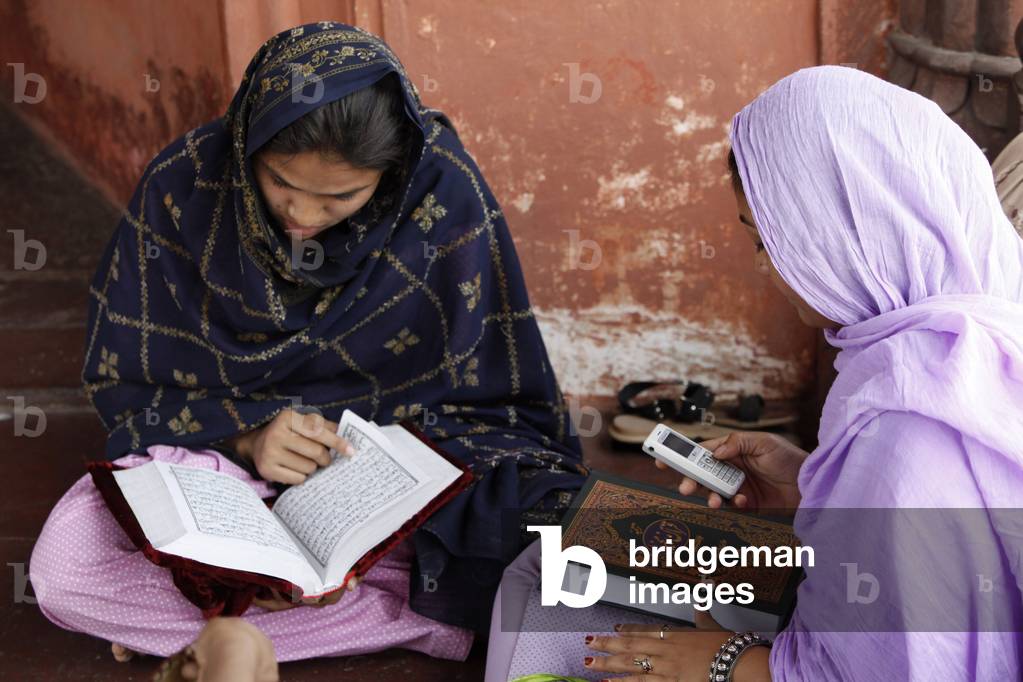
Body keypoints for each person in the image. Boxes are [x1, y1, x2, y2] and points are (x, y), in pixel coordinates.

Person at [30, 21, 584, 665]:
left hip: (397, 468)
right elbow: (131, 383)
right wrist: (247, 437)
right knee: (66, 568)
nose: (304, 219)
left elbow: (493, 394)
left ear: (392, 172)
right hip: (219, 464)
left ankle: (211, 622)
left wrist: (374, 477)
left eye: (342, 197)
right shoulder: (187, 186)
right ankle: (418, 618)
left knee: (536, 537)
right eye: (279, 184)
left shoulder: (440, 188)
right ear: (246, 147)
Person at [491, 66, 1023, 681]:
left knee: (544, 608)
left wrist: (724, 663)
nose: (763, 266)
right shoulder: (981, 341)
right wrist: (814, 481)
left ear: (845, 234)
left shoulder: (902, 430)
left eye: (771, 241)